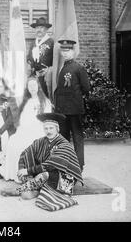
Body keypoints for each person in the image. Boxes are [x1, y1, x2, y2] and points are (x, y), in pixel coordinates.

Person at [1, 113, 83, 212]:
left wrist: (27, 171)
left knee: (43, 175)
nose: (48, 131)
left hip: (64, 177)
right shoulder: (41, 141)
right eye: (46, 128)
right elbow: (25, 153)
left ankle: (20, 190)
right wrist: (22, 168)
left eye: (51, 128)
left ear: (57, 129)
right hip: (48, 173)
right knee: (27, 188)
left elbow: (50, 166)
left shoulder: (64, 144)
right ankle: (35, 190)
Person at [0, 77, 52, 182]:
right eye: (30, 86)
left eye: (34, 85)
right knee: (13, 142)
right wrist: (23, 129)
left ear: (38, 86)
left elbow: (47, 121)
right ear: (27, 88)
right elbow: (21, 120)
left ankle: (29, 174)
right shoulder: (25, 102)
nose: (32, 88)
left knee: (28, 144)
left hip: (39, 130)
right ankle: (16, 174)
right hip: (25, 130)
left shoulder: (45, 102)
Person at [54, 39, 90, 171]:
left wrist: (75, 98)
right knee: (64, 137)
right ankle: (65, 162)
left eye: (68, 50)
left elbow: (86, 87)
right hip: (63, 109)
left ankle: (79, 164)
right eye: (63, 50)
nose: (65, 53)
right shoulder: (63, 67)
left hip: (74, 109)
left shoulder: (78, 68)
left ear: (73, 51)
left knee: (77, 136)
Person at [26, 17, 54, 97]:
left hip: (46, 78)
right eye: (37, 28)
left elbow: (56, 61)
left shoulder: (51, 42)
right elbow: (28, 58)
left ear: (46, 29)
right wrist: (29, 63)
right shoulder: (33, 43)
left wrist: (49, 70)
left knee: (45, 100)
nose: (39, 30)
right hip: (34, 78)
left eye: (41, 27)